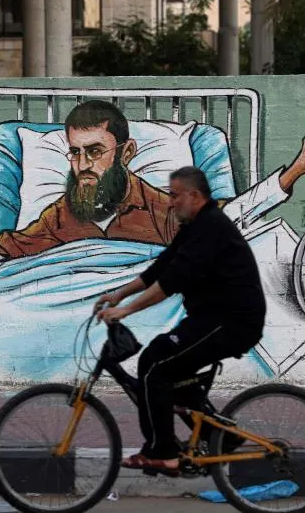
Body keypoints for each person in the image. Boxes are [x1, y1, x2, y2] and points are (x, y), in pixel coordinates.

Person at [0, 100, 305, 293]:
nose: (82, 165)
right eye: (75, 153)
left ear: (126, 153)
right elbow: (18, 245)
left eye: (95, 152)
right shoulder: (63, 215)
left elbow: (227, 216)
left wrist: (295, 170)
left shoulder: (161, 209)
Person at [94, 166, 267, 474]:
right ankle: (220, 437)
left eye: (175, 196)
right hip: (211, 319)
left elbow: (171, 281)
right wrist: (118, 295)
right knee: (171, 371)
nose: (170, 202)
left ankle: (164, 452)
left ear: (194, 196)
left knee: (155, 362)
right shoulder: (195, 227)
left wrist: (125, 311)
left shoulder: (210, 229)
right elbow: (162, 267)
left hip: (231, 322)